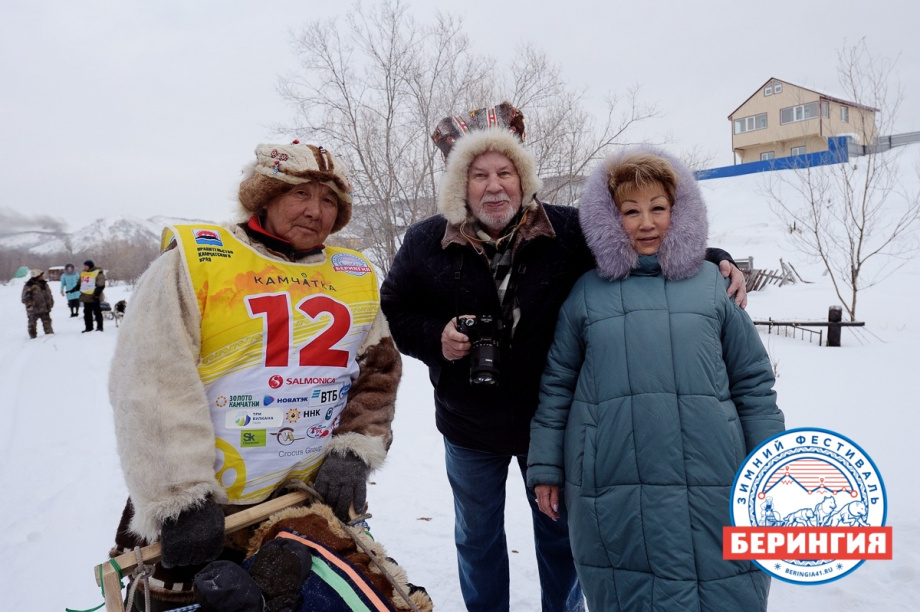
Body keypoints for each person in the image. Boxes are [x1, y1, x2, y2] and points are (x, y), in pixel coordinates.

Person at [379, 103, 747, 612]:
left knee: (560, 538)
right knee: (477, 536)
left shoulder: (567, 231)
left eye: (505, 172)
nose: (494, 186)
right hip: (468, 425)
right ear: (460, 183)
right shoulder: (426, 240)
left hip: (551, 423)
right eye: (479, 174)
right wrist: (433, 337)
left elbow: (643, 245)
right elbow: (394, 306)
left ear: (523, 176)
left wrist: (713, 258)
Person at [108, 141, 401, 610]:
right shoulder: (197, 261)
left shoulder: (354, 274)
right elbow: (149, 382)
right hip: (211, 509)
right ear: (265, 195)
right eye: (300, 194)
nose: (315, 210)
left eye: (329, 201)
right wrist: (180, 496)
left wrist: (354, 449)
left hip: (306, 501)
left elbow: (378, 373)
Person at [527, 147, 785, 611]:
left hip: (715, 473)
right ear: (610, 219)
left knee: (724, 586)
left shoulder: (712, 285)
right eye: (631, 211)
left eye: (658, 208)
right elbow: (557, 387)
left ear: (678, 212)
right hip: (613, 482)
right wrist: (546, 468)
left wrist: (772, 463)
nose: (646, 223)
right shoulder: (586, 294)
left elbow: (753, 384)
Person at [21, 269, 54, 338]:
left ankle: (50, 338)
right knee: (32, 325)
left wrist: (50, 302)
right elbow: (24, 298)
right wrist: (31, 305)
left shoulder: (44, 284)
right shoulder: (29, 286)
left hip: (45, 309)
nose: (43, 277)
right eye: (41, 275)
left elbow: (49, 294)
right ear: (36, 276)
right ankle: (33, 338)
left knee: (48, 325)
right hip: (33, 310)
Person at [77, 259, 106, 332]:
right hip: (86, 297)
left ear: (89, 266)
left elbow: (101, 285)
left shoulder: (98, 273)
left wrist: (96, 295)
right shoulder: (84, 273)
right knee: (87, 313)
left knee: (97, 312)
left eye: (85, 266)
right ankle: (88, 327)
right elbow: (80, 283)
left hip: (95, 297)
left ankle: (99, 327)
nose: (84, 267)